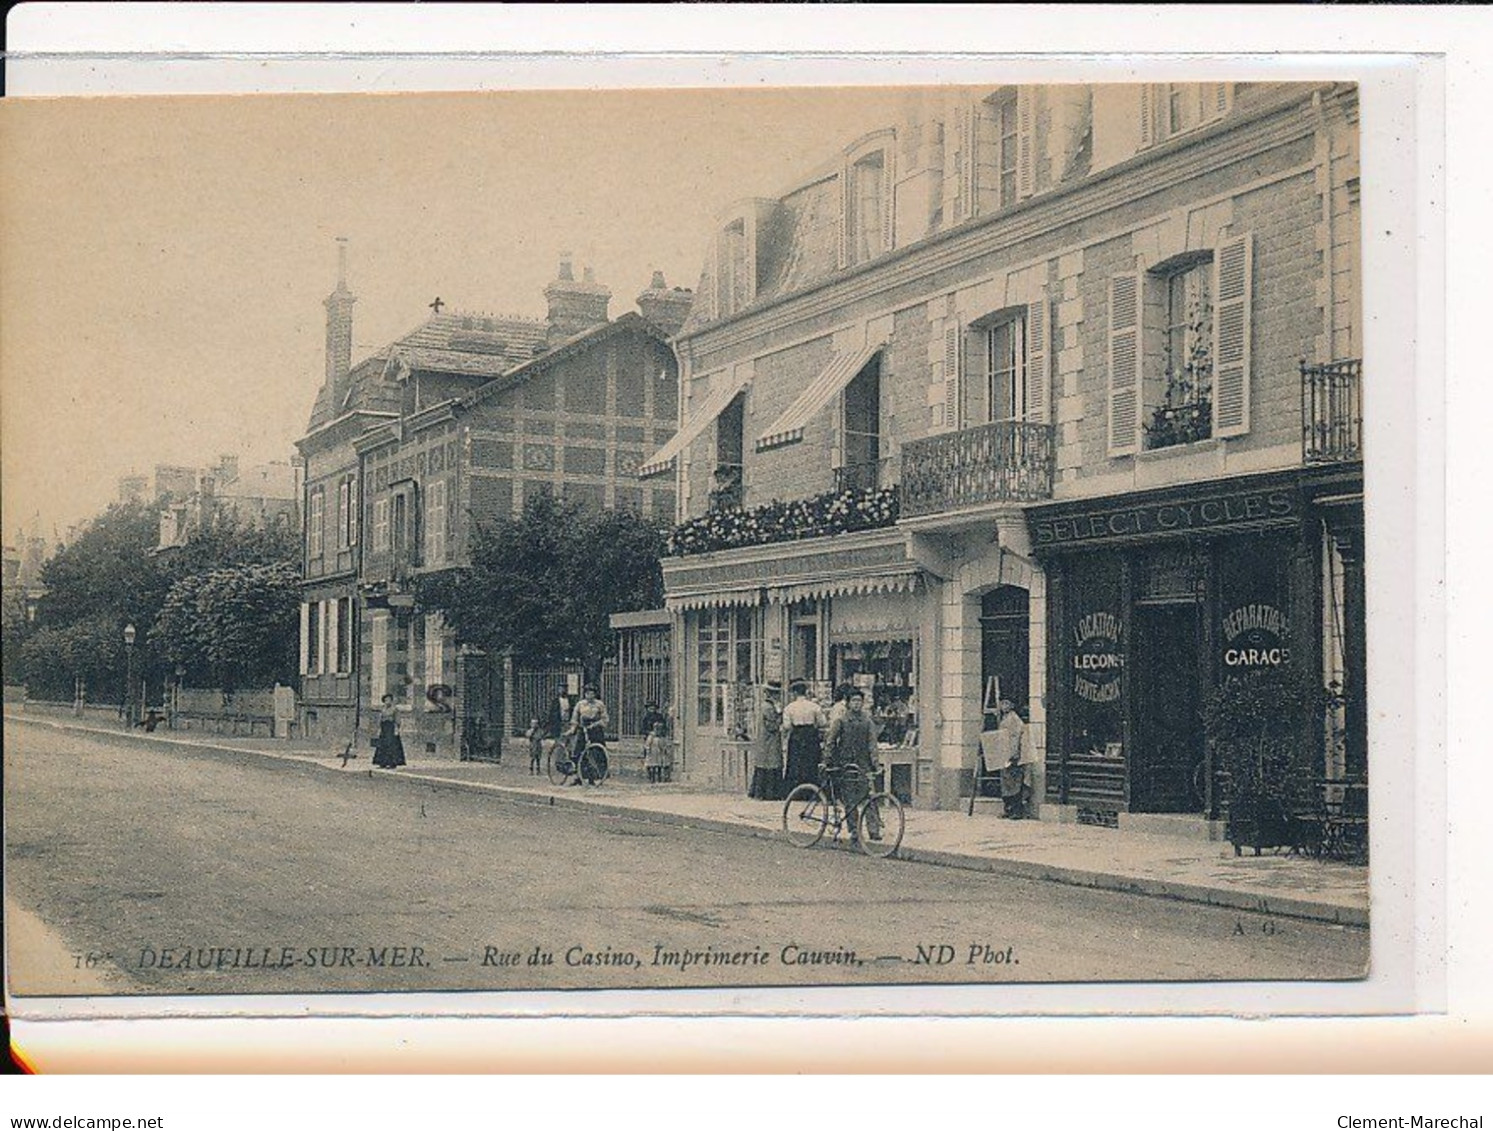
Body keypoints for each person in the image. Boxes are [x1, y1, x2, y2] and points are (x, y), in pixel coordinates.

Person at [824, 688, 881, 841]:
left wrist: (875, 763)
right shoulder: (841, 720)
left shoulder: (867, 721)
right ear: (848, 703)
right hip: (846, 763)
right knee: (850, 800)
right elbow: (830, 741)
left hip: (863, 764)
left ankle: (874, 830)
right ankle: (854, 830)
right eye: (854, 701)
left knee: (869, 796)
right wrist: (827, 759)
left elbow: (872, 744)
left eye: (859, 701)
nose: (857, 704)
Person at [781, 680, 826, 794]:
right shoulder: (814, 706)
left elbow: (787, 726)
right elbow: (822, 722)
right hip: (811, 735)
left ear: (795, 693)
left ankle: (795, 791)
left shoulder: (789, 708)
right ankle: (811, 790)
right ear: (806, 692)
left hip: (796, 735)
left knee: (796, 763)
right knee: (811, 762)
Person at [748, 681, 784, 800]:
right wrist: (780, 716)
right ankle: (769, 793)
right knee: (770, 764)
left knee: (764, 764)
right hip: (769, 742)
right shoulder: (769, 707)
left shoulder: (764, 706)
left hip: (765, 741)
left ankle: (759, 792)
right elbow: (772, 726)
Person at [996, 698, 1031, 818]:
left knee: (1014, 784)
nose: (1003, 706)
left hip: (1012, 756)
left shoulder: (1014, 719)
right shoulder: (1004, 718)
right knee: (1007, 783)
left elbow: (1015, 738)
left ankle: (1016, 810)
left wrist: (1013, 755)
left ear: (1012, 705)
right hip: (1005, 755)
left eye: (1006, 703)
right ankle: (1008, 809)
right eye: (1002, 703)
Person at [372, 693, 407, 769]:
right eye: (385, 700)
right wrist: (379, 729)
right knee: (382, 745)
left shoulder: (395, 709)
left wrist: (396, 729)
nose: (387, 701)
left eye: (388, 700)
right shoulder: (383, 709)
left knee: (392, 745)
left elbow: (397, 720)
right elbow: (380, 719)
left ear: (391, 700)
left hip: (391, 729)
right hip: (384, 729)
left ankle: (392, 763)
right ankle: (382, 762)